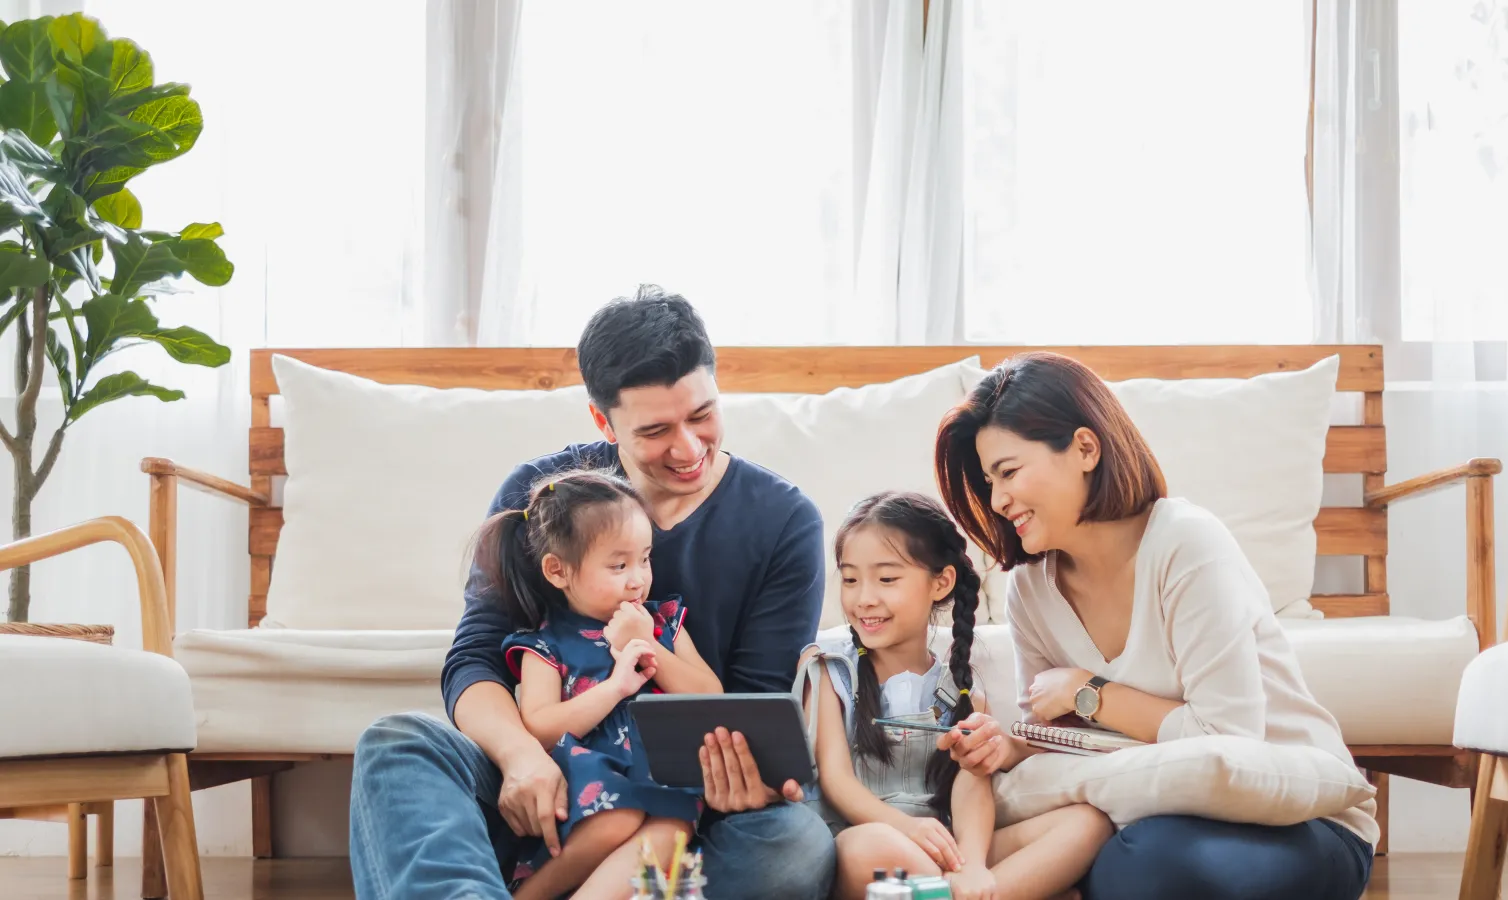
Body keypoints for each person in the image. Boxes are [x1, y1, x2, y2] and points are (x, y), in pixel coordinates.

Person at [349, 286, 836, 900]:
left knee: (794, 847)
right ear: (603, 421)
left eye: (703, 414)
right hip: (543, 791)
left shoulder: (783, 519)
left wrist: (740, 777)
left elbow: (750, 702)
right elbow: (474, 657)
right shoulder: (545, 493)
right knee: (397, 745)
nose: (688, 448)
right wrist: (522, 756)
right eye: (656, 430)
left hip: (682, 815)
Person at [929, 352, 1378, 900]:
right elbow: (1059, 743)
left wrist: (1088, 692)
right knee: (1105, 855)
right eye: (989, 481)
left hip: (1299, 823)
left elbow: (1227, 744)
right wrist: (1012, 748)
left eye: (1009, 472)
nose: (998, 500)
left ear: (1085, 449)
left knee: (1138, 868)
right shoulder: (1031, 589)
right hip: (1143, 818)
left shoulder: (1186, 544)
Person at [796, 492, 1111, 900]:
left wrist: (974, 864)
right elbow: (837, 782)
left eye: (886, 579)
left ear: (941, 582)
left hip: (945, 849)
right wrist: (907, 829)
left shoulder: (961, 687)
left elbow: (973, 784)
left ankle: (963, 892)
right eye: (851, 579)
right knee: (869, 846)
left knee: (1087, 822)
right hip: (872, 844)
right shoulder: (829, 671)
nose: (864, 598)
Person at [473, 470, 719, 898]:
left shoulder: (662, 622)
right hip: (590, 774)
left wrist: (647, 647)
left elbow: (711, 698)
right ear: (557, 571)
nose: (638, 578)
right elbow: (540, 726)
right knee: (615, 819)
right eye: (618, 565)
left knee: (672, 833)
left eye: (644, 559)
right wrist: (615, 689)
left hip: (665, 771)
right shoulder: (546, 642)